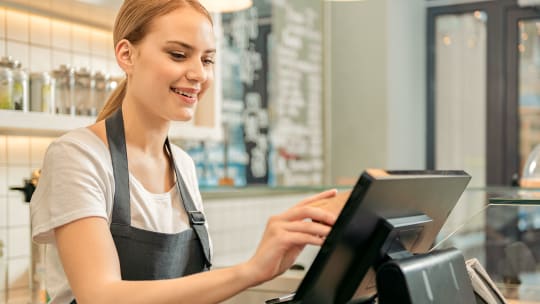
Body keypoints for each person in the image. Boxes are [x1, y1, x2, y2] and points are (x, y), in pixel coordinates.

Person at [30, 1, 339, 303]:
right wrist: (251, 271)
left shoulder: (183, 166)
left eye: (207, 60)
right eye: (178, 55)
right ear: (127, 55)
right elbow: (101, 295)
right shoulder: (78, 156)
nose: (198, 74)